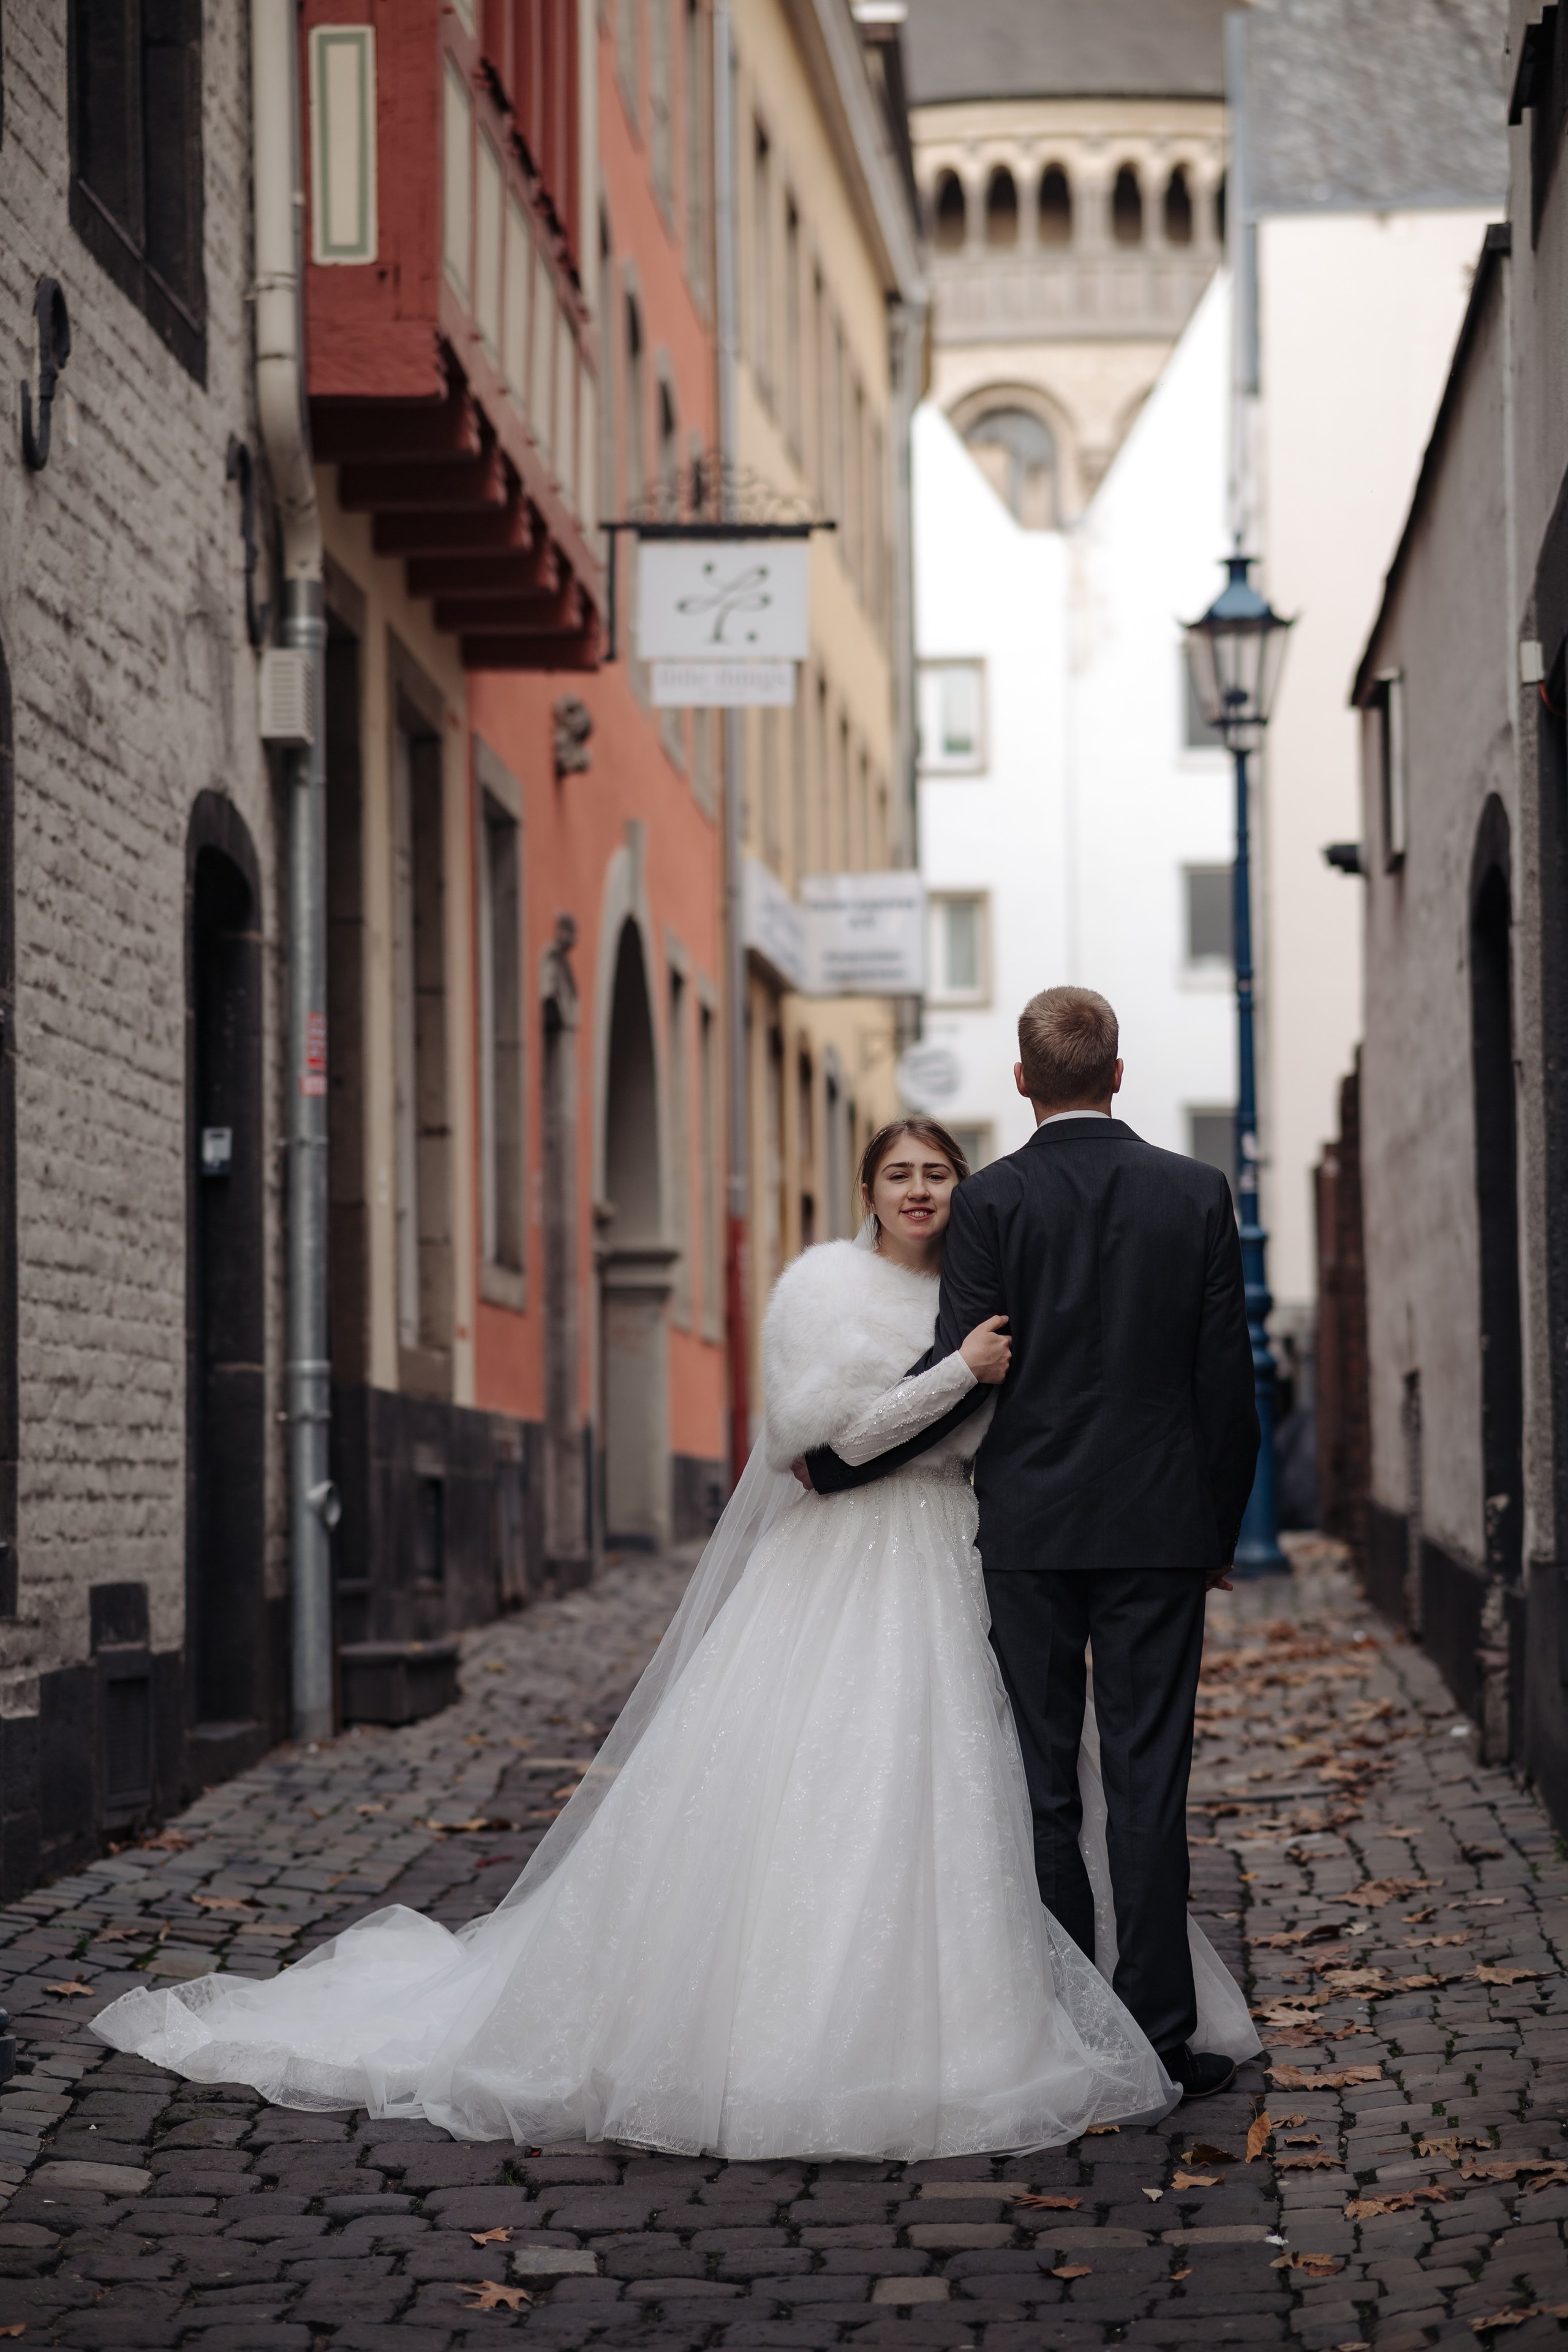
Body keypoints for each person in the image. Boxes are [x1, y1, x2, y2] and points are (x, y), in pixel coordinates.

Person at [91, 1108, 1256, 2156]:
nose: (919, 1191)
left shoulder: (987, 1271)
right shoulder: (824, 1291)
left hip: (960, 1555)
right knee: (838, 1779)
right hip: (852, 1565)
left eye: (938, 1173)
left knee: (990, 1786)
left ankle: (1025, 2001)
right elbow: (821, 1456)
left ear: (965, 1188)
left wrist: (979, 1371)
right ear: (867, 1190)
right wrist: (959, 1372)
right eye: (899, 1173)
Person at [801, 987, 1261, 2101]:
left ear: (1020, 1082)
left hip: (1028, 1527)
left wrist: (840, 1459)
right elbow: (1225, 1387)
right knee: (1151, 1778)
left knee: (1042, 1780)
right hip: (1157, 1524)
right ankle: (1156, 2031)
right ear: (1119, 1070)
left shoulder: (992, 1201)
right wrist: (1214, 1526)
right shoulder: (1196, 1193)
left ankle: (1070, 2020)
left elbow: (969, 1369)